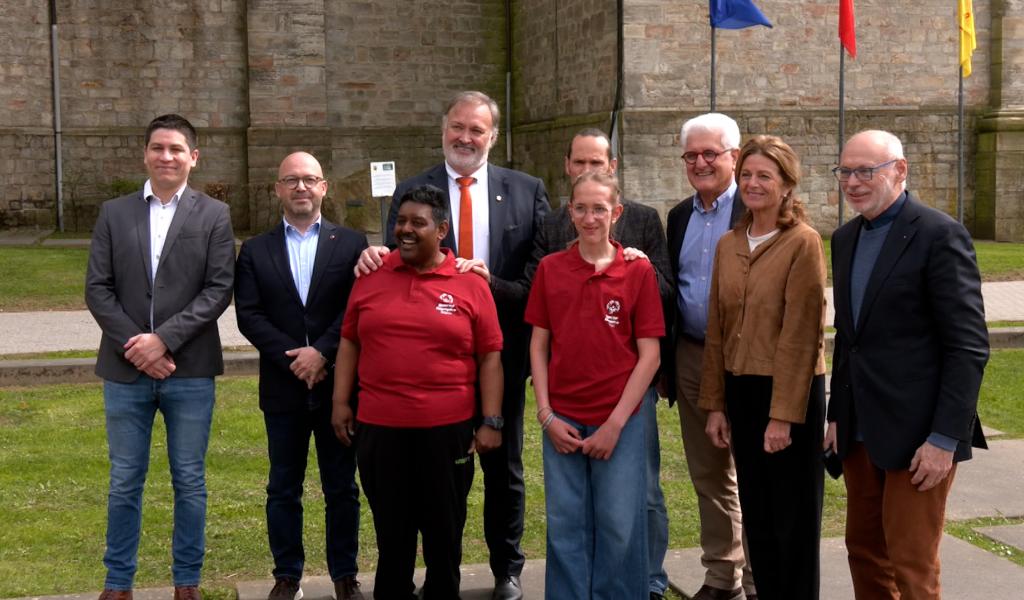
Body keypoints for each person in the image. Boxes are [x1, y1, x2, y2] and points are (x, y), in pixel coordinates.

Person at [355, 90, 549, 600]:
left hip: (497, 354)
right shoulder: (411, 188)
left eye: (477, 130)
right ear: (444, 129)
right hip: (427, 366)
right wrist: (372, 258)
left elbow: (536, 283)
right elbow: (400, 258)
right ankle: (433, 573)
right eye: (457, 127)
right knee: (433, 482)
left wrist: (488, 283)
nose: (466, 137)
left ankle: (507, 568)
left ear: (493, 136)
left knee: (502, 468)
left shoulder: (527, 190)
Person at [825, 130, 989, 599]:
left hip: (920, 435)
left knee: (911, 561)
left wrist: (945, 438)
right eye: (845, 171)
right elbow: (849, 338)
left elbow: (968, 346)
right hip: (859, 429)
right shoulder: (845, 238)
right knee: (864, 550)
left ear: (900, 170)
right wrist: (838, 413)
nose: (853, 182)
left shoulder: (939, 234)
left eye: (866, 171)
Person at [85, 114, 235, 600]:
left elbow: (218, 289)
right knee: (125, 480)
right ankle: (117, 583)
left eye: (175, 149)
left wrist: (164, 341)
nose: (165, 156)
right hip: (124, 372)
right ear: (145, 155)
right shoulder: (114, 212)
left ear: (193, 157)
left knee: (189, 480)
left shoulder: (213, 214)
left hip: (189, 371)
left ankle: (186, 582)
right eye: (157, 148)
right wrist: (139, 346)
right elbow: (97, 289)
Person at [332, 184, 504, 600]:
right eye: (400, 222)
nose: (405, 230)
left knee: (444, 532)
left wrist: (492, 420)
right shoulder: (372, 275)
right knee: (393, 533)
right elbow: (350, 341)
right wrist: (340, 402)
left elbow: (490, 357)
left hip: (447, 431)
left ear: (442, 229)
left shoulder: (469, 283)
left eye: (417, 223)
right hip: (380, 428)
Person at [529, 128, 673, 600]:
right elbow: (539, 345)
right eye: (581, 208)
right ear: (569, 212)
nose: (590, 218)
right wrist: (546, 414)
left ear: (616, 214)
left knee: (619, 522)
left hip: (621, 418)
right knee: (565, 521)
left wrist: (614, 424)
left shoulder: (637, 270)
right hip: (563, 418)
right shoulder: (551, 269)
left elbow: (649, 354)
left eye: (599, 209)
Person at [234, 152, 368, 600]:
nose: (301, 188)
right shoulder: (255, 249)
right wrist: (295, 358)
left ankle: (344, 575)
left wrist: (323, 353)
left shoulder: (351, 245)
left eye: (309, 179)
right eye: (291, 180)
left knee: (342, 488)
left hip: (338, 389)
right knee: (282, 488)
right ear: (277, 189)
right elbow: (249, 316)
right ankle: (286, 575)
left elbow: (356, 308)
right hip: (282, 387)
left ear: (324, 187)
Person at [699, 135, 827, 600]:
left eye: (765, 176)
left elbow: (801, 335)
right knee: (759, 518)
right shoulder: (729, 243)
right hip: (741, 392)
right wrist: (715, 405)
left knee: (793, 522)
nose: (753, 184)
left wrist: (783, 417)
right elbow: (716, 328)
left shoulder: (803, 243)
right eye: (747, 174)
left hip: (789, 396)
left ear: (787, 185)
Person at [664, 113, 753, 600]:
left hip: (747, 363)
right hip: (693, 359)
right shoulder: (679, 216)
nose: (700, 162)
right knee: (708, 473)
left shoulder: (758, 206)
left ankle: (761, 580)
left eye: (710, 154)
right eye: (691, 155)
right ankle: (723, 575)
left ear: (734, 157)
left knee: (755, 473)